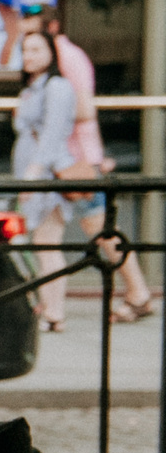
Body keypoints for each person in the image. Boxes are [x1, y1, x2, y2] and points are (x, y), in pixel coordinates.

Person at [48, 22, 157, 320]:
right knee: (91, 227)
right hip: (71, 159)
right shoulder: (61, 56)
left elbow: (84, 109)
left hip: (78, 160)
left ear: (51, 26)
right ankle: (137, 293)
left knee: (99, 227)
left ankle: (139, 293)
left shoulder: (68, 57)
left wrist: (49, 111)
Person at [12, 25, 80, 334]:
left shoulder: (57, 87)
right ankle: (49, 308)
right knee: (42, 245)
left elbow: (52, 135)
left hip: (47, 177)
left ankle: (54, 311)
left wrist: (34, 174)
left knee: (48, 244)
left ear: (51, 53)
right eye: (25, 50)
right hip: (34, 176)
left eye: (36, 49)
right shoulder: (33, 88)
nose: (28, 56)